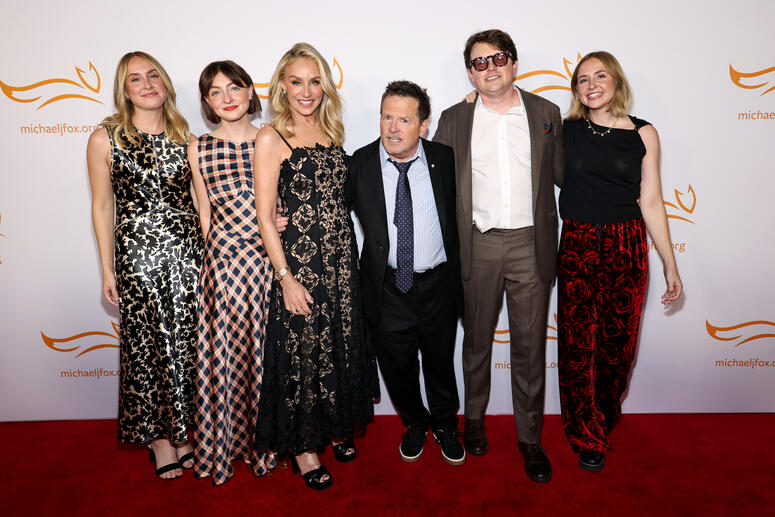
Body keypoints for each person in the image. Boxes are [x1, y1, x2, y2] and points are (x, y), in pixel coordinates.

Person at [434, 29, 563, 483]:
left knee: (530, 349)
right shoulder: (453, 119)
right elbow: (436, 183)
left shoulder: (547, 113)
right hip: (479, 244)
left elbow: (568, 173)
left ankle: (530, 439)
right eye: (479, 62)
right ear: (470, 72)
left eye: (498, 59)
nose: (489, 68)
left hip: (532, 243)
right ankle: (473, 421)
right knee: (476, 343)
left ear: (514, 63)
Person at [252, 42, 378, 491]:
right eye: (296, 81)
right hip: (300, 265)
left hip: (343, 261)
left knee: (339, 345)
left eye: (314, 81)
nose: (306, 91)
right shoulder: (272, 136)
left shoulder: (332, 133)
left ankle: (334, 426)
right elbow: (266, 217)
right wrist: (284, 277)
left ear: (324, 85)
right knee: (303, 352)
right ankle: (304, 449)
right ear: (282, 87)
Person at [557, 51, 682, 472]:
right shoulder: (566, 130)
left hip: (627, 246)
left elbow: (651, 201)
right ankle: (584, 432)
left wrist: (670, 263)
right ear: (575, 89)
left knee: (618, 348)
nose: (591, 84)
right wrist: (473, 99)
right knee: (578, 346)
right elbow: (513, 117)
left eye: (600, 75)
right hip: (576, 244)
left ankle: (603, 414)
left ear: (616, 81)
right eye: (582, 79)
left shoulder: (644, 133)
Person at [87, 51, 204, 480]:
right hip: (136, 256)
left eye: (153, 75)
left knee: (188, 345)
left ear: (165, 82)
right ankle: (158, 439)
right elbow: (101, 207)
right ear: (125, 91)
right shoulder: (106, 137)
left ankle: (185, 432)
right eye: (136, 79)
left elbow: (199, 203)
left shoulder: (186, 137)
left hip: (189, 254)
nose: (147, 84)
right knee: (146, 347)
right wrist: (107, 269)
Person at [348, 81, 465, 466]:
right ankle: (415, 422)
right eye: (387, 117)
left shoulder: (444, 159)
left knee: (439, 363)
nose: (393, 128)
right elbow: (327, 210)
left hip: (437, 286)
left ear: (424, 125)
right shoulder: (360, 163)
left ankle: (446, 424)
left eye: (404, 119)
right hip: (387, 288)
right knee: (397, 370)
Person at [189, 60, 286, 485]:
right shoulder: (198, 148)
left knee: (265, 358)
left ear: (250, 92)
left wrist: (281, 219)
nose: (227, 98)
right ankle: (223, 446)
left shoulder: (275, 139)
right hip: (224, 268)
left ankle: (266, 446)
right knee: (225, 361)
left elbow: (287, 201)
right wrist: (215, 261)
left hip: (267, 266)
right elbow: (203, 214)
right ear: (208, 102)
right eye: (215, 92)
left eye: (234, 88)